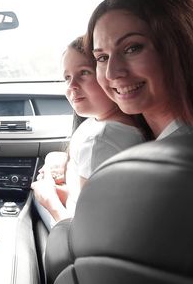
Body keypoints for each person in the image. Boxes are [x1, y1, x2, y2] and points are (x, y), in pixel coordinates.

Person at [86, 0, 193, 139]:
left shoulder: (186, 150)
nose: (111, 73)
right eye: (102, 58)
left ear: (182, 47)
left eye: (132, 48)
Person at [31, 36, 146, 229]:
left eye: (84, 73)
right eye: (67, 77)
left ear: (107, 75)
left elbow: (87, 232)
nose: (72, 85)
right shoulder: (99, 124)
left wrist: (48, 199)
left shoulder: (100, 141)